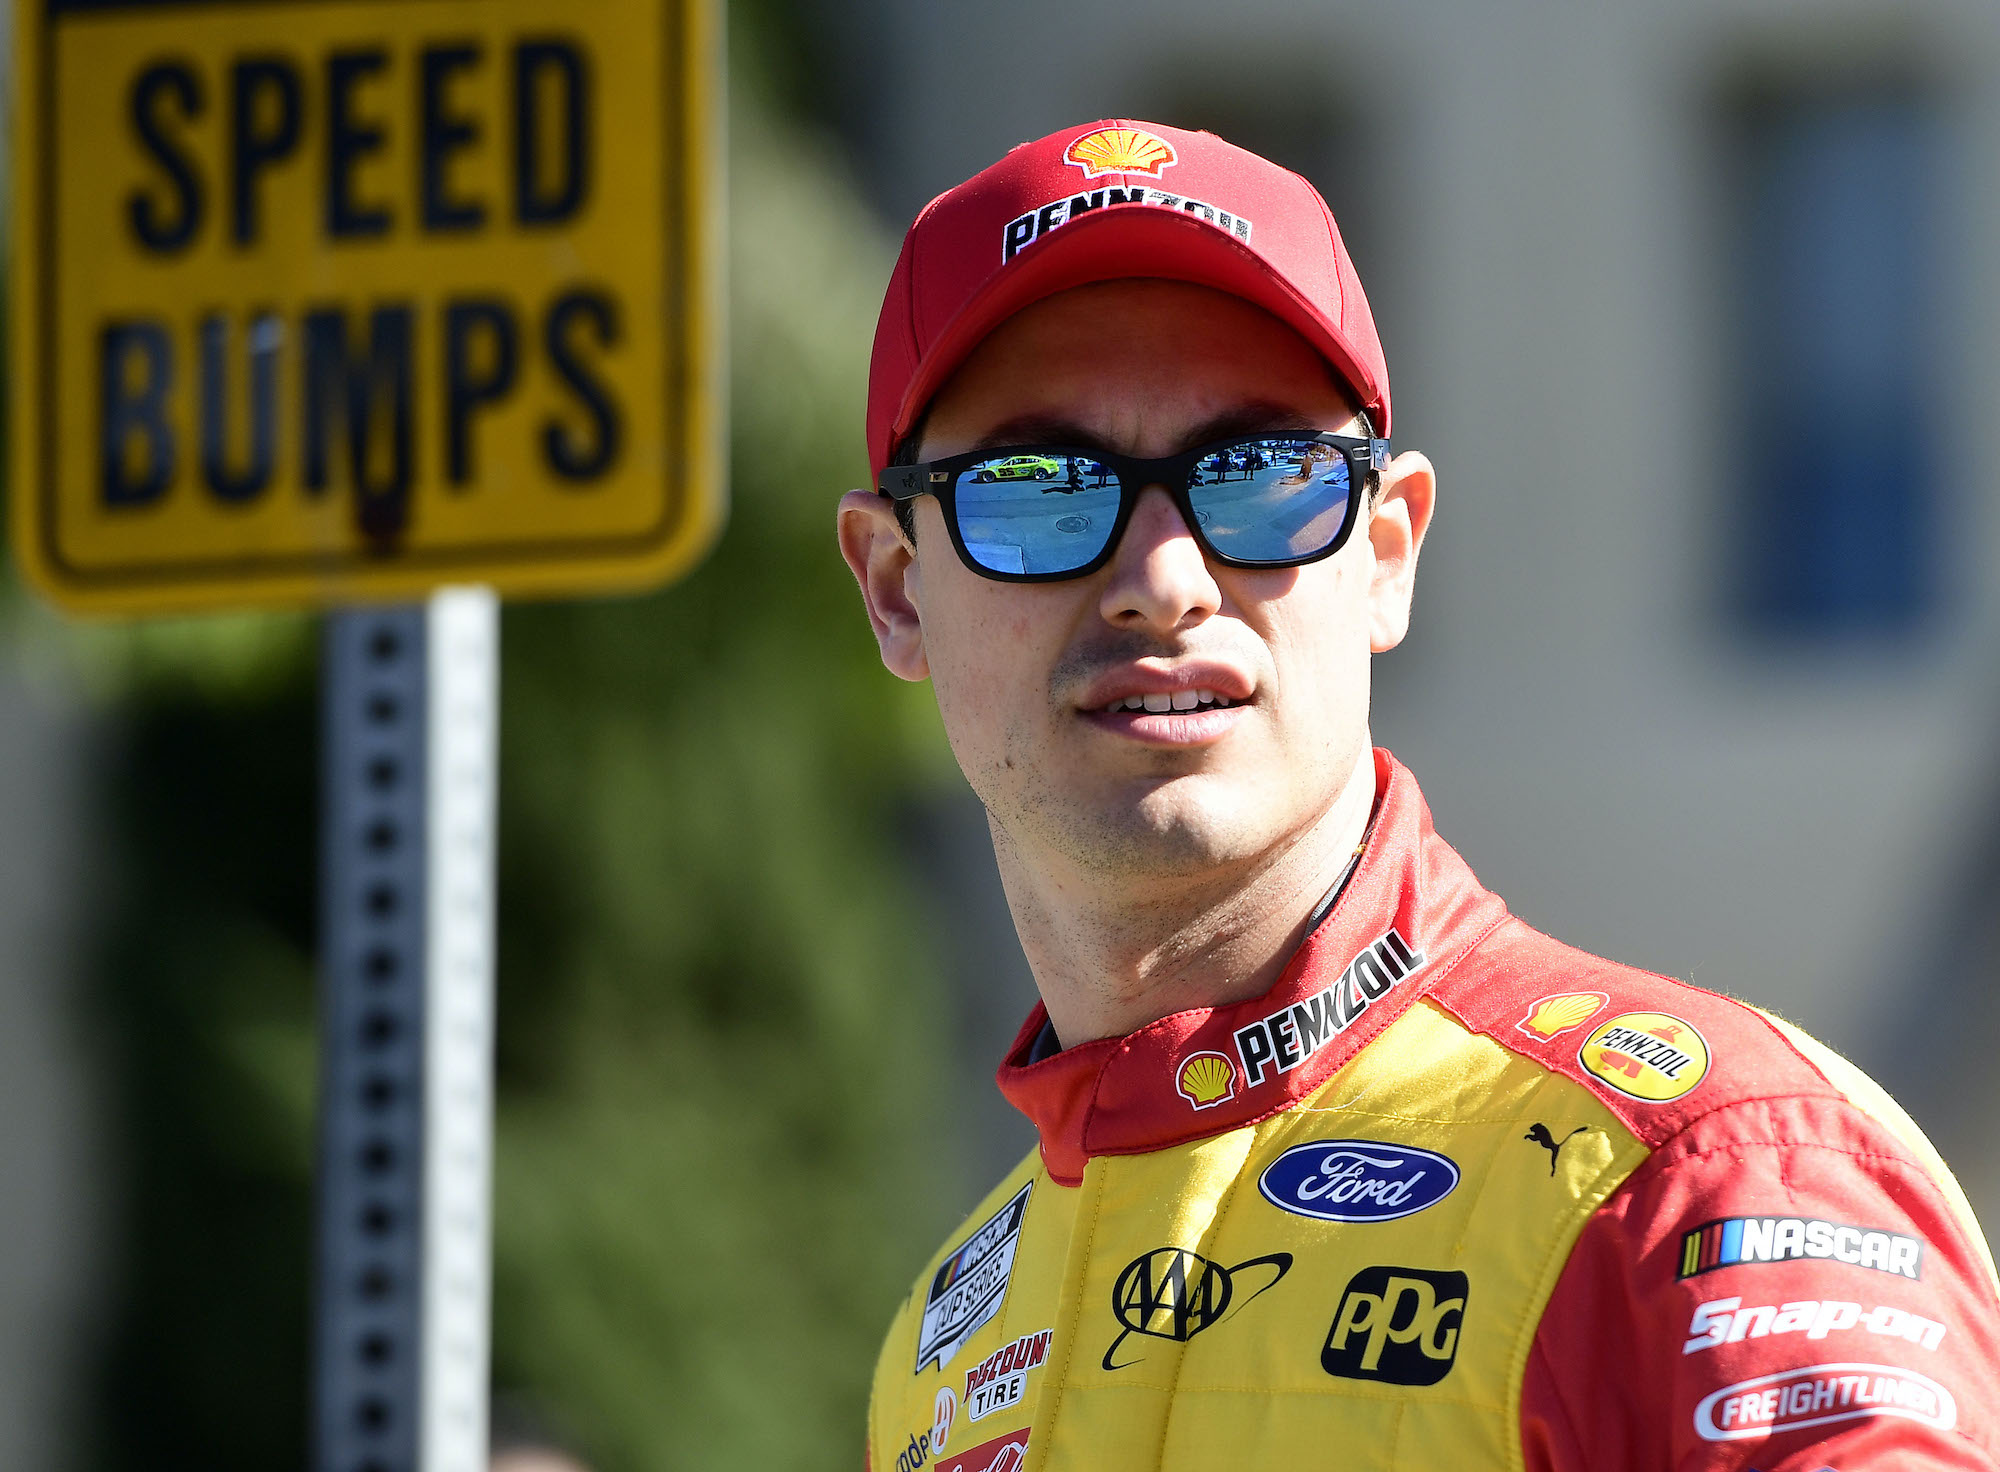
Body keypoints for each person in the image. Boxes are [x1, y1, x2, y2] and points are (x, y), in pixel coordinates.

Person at [836, 119, 2000, 1471]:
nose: (1163, 577)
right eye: (1039, 492)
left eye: (1264, 483)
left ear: (1384, 556)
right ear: (896, 586)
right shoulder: (944, 1348)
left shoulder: (1697, 1178)